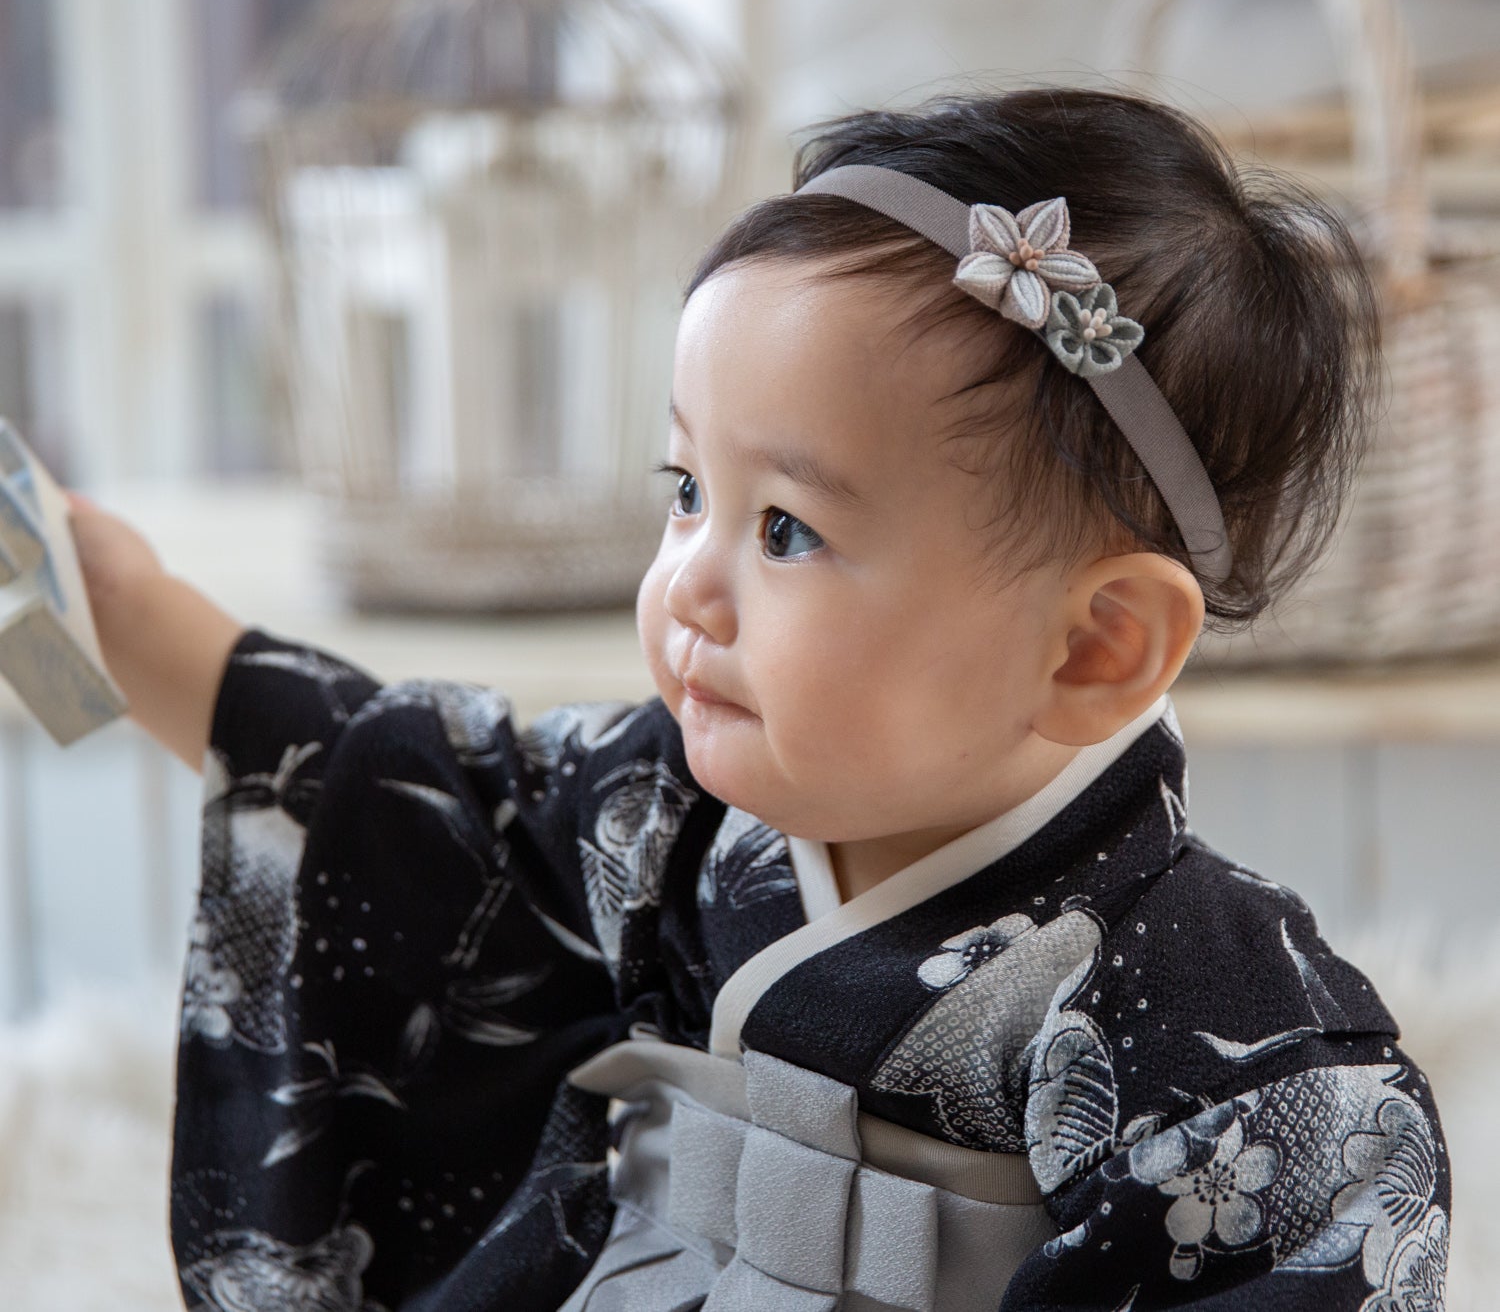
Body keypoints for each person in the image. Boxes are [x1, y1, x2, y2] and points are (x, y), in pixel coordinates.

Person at [71, 88, 1448, 1310]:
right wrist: (111, 607)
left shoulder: (1235, 1038)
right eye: (686, 495)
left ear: (1096, 647)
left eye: (784, 529)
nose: (687, 589)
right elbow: (399, 790)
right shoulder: (671, 808)